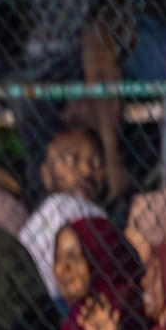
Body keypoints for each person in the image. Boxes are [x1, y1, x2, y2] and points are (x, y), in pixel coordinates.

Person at [16, 127, 108, 299]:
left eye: (95, 163)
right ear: (45, 174)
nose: (86, 170)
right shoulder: (58, 206)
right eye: (70, 160)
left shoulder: (46, 212)